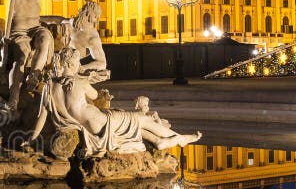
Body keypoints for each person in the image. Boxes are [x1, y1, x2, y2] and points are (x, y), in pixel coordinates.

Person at [56, 49, 201, 156]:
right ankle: (180, 138)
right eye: (77, 63)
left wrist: (33, 135)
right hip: (103, 122)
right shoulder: (79, 81)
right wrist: (89, 77)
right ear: (70, 63)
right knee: (141, 118)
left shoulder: (51, 87)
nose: (79, 66)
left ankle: (158, 140)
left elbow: (43, 114)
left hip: (96, 123)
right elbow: (95, 96)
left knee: (135, 125)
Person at [2, 0, 54, 111]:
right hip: (20, 30)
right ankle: (14, 97)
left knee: (45, 38)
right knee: (21, 58)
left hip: (35, 27)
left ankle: (35, 76)